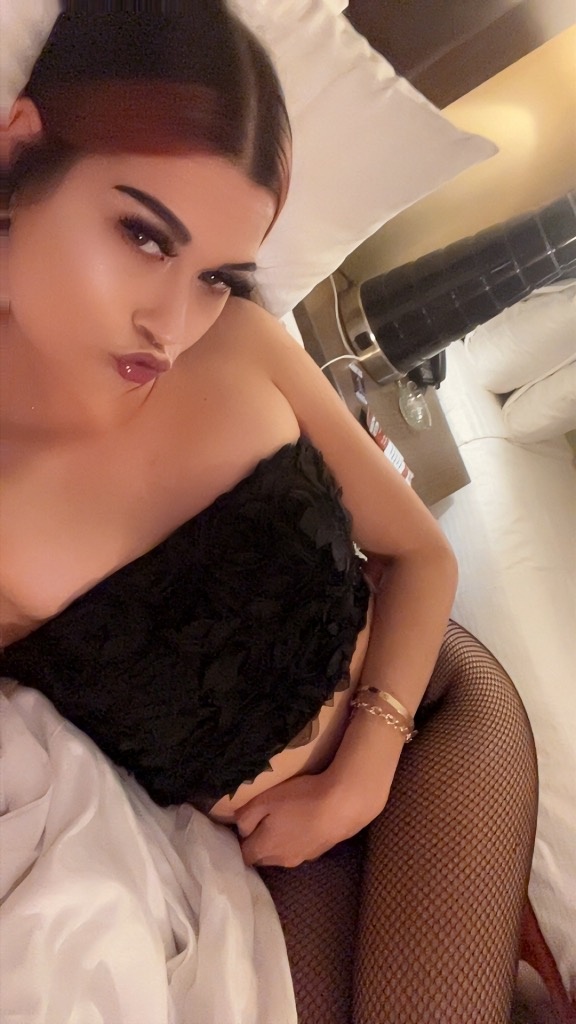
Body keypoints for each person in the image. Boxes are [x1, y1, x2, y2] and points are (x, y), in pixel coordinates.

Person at [0, 2, 458, 870]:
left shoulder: (241, 340)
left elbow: (425, 557)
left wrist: (360, 780)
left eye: (218, 275)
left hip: (435, 698)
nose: (171, 327)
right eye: (144, 236)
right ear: (20, 149)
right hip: (257, 869)